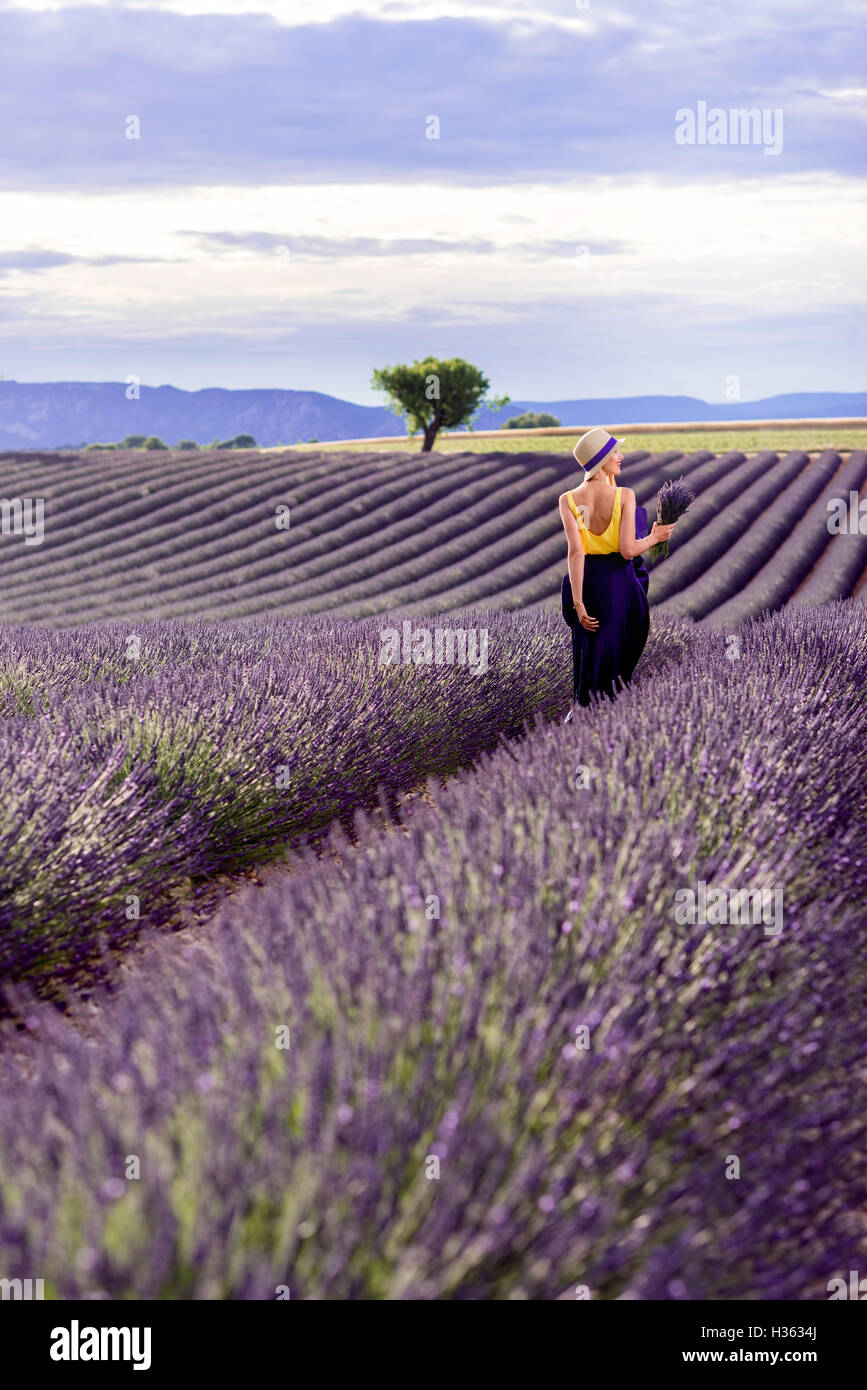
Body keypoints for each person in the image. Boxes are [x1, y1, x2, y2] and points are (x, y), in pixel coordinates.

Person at [558, 427, 676, 715]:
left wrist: (578, 603)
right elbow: (627, 550)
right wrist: (655, 538)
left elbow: (575, 553)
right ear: (601, 459)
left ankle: (582, 720)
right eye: (614, 453)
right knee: (617, 664)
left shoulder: (568, 500)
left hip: (586, 585)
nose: (620, 456)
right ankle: (611, 720)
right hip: (618, 586)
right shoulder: (624, 495)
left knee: (589, 661)